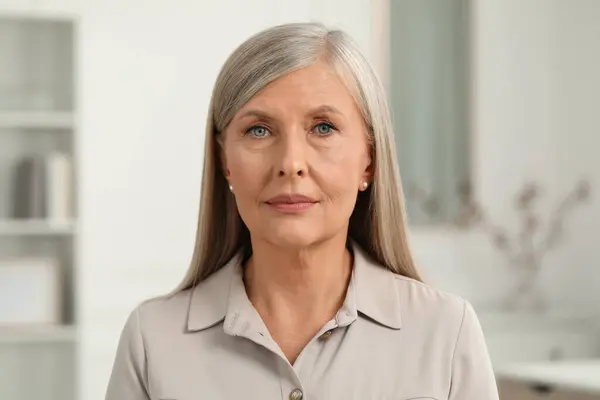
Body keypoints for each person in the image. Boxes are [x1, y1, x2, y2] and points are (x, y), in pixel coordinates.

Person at [106, 22, 499, 400]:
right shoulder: (152, 340)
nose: (291, 163)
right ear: (224, 160)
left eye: (323, 128)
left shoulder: (446, 332)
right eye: (259, 130)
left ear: (369, 160)